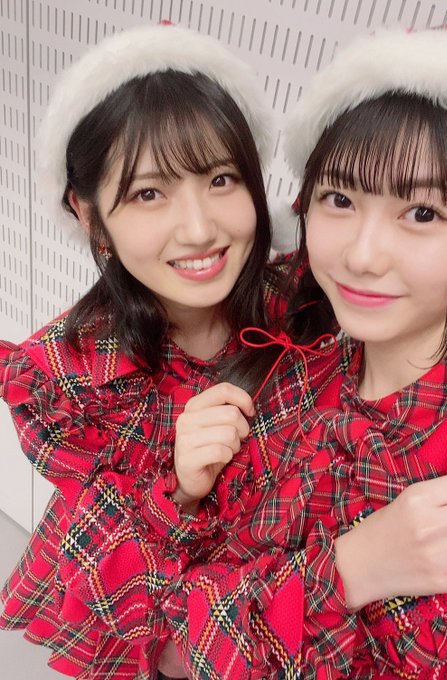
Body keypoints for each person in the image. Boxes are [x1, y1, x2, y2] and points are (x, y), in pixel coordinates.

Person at [149, 19, 447, 678]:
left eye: (423, 213)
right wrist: (349, 568)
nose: (362, 256)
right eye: (340, 199)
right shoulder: (277, 376)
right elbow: (168, 651)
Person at [0, 21, 292, 680]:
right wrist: (180, 490)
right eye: (149, 193)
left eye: (222, 179)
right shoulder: (71, 376)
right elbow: (116, 594)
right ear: (90, 215)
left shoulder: (300, 308)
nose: (199, 229)